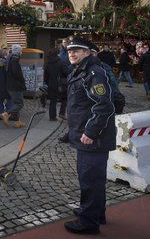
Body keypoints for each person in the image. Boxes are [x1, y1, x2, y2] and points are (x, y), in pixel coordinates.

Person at [64, 37, 116, 235]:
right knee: (94, 178)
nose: (71, 53)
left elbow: (103, 105)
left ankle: (88, 222)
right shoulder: (81, 70)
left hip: (94, 137)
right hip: (84, 134)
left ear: (88, 52)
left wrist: (90, 132)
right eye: (69, 50)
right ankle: (96, 213)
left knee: (89, 179)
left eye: (77, 50)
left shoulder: (93, 72)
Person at [1, 44, 26, 128]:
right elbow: (17, 74)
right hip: (15, 86)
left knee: (16, 103)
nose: (21, 53)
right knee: (20, 104)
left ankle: (17, 122)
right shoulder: (15, 60)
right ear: (18, 52)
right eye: (21, 51)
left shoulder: (9, 58)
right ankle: (6, 114)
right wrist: (23, 80)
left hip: (10, 85)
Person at [44, 48, 69, 121]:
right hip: (60, 85)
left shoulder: (47, 63)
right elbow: (67, 73)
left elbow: (45, 76)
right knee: (65, 98)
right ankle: (61, 113)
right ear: (57, 54)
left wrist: (48, 82)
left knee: (52, 101)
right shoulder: (61, 62)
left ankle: (52, 117)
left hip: (51, 84)